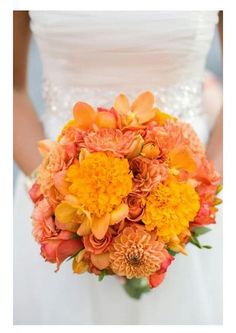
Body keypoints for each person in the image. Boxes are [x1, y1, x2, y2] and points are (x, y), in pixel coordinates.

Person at [13, 11, 223, 324]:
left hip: (188, 186)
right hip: (57, 182)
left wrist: (197, 200)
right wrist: (58, 206)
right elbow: (10, 89)